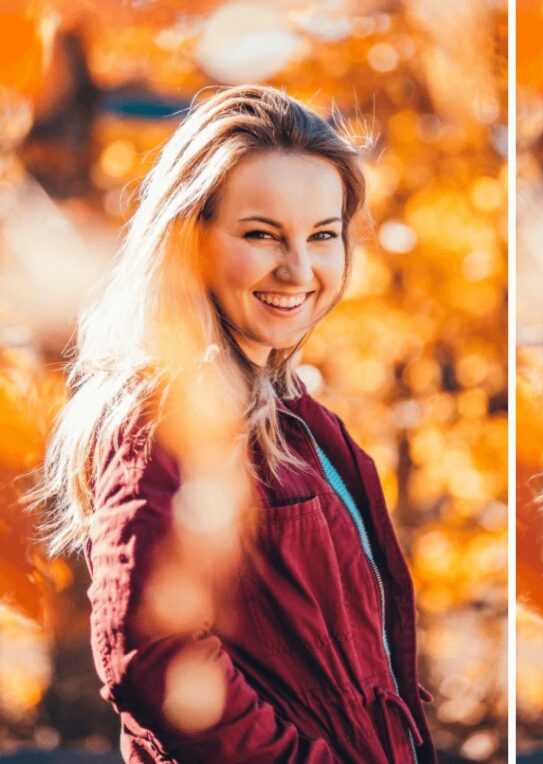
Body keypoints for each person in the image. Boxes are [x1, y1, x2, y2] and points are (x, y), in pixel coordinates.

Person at [28, 85, 434, 763]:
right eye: (260, 234)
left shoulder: (306, 422)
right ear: (190, 240)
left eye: (323, 236)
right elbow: (152, 656)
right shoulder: (165, 414)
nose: (298, 269)